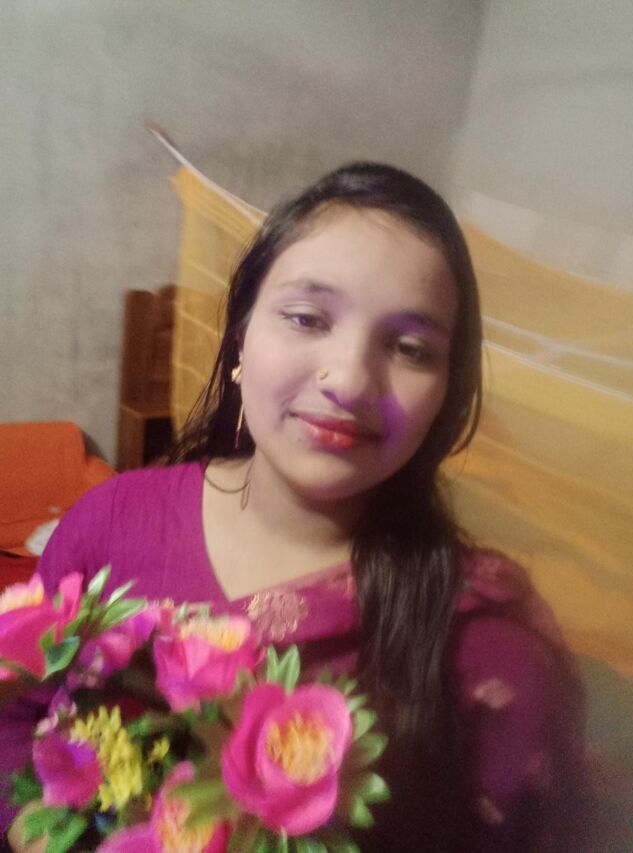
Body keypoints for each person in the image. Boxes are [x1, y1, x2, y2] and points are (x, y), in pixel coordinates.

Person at [4, 163, 588, 851]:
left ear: (446, 396)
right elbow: (17, 711)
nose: (350, 379)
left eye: (410, 348)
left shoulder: (490, 646)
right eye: (307, 318)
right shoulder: (110, 521)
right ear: (241, 341)